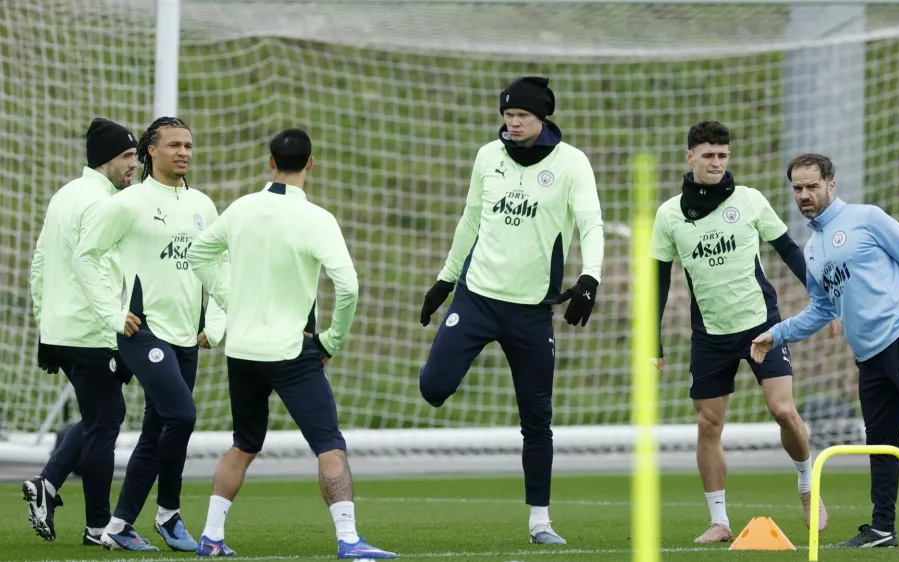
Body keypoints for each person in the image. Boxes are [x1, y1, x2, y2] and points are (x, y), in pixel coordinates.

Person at [751, 153, 899, 548]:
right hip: (868, 359)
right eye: (797, 188)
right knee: (881, 444)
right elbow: (822, 312)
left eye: (811, 186)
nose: (804, 195)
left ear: (831, 184)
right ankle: (882, 529)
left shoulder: (868, 218)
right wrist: (777, 335)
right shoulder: (812, 251)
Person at [185, 128, 396, 559]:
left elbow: (199, 255)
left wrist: (231, 299)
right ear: (311, 164)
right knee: (329, 444)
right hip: (292, 351)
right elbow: (349, 287)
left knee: (244, 442)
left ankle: (210, 536)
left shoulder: (241, 208)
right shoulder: (316, 218)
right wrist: (332, 339)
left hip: (242, 351)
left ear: (269, 162)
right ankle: (349, 540)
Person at [418, 76, 605, 545]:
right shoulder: (488, 156)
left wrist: (590, 277)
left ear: (542, 116)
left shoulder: (571, 163)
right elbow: (471, 218)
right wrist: (445, 277)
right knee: (433, 388)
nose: (512, 123)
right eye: (507, 115)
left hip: (531, 311)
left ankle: (540, 521)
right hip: (476, 296)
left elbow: (591, 222)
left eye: (520, 115)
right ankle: (448, 347)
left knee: (537, 419)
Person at [649, 121, 835, 544]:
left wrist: (826, 300)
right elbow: (659, 279)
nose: (717, 162)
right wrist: (651, 340)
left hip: (761, 326)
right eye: (709, 155)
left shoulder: (749, 200)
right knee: (708, 425)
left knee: (783, 410)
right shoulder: (669, 214)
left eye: (723, 155)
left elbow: (789, 250)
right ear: (690, 157)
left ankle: (808, 486)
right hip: (709, 335)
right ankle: (719, 520)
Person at [72, 116, 227, 552]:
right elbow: (86, 257)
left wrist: (215, 323)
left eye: (189, 146)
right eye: (174, 144)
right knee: (182, 415)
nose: (184, 152)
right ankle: (168, 513)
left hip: (186, 336)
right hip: (143, 332)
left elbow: (220, 266)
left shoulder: (203, 205)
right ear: (150, 151)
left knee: (157, 430)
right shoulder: (129, 202)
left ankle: (119, 527)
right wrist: (113, 313)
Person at [23, 118, 137, 546]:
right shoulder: (104, 204)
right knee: (106, 422)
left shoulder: (65, 195)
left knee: (96, 417)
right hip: (92, 331)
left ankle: (48, 484)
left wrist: (44, 322)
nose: (134, 165)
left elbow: (39, 262)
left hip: (61, 328)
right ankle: (96, 527)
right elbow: (94, 273)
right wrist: (115, 326)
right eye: (127, 157)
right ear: (106, 159)